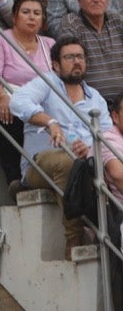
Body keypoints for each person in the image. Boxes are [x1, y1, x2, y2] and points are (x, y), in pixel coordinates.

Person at [10, 37, 107, 254]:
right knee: (67, 161)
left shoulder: (96, 98)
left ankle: (108, 233)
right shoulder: (46, 83)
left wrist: (89, 148)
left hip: (84, 163)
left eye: (80, 57)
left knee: (96, 164)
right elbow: (17, 101)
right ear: (55, 64)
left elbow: (107, 134)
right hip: (41, 163)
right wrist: (49, 121)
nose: (76, 62)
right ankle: (74, 239)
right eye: (69, 57)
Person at [55, 0, 123, 108]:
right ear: (79, 0)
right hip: (91, 104)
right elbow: (71, 67)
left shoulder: (118, 21)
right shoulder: (71, 24)